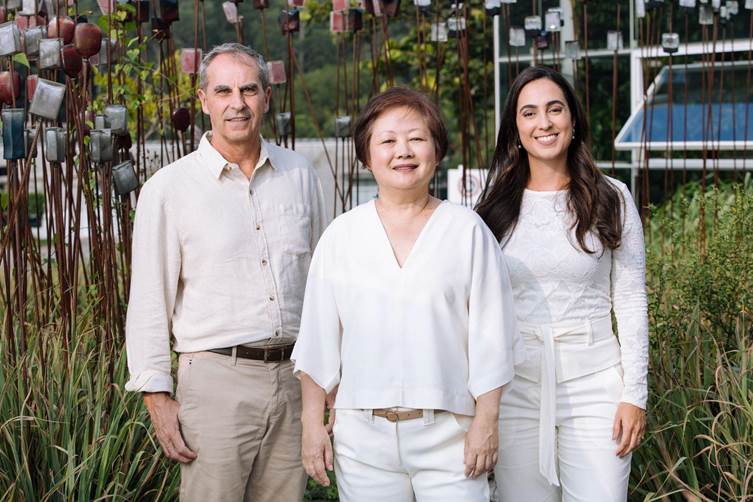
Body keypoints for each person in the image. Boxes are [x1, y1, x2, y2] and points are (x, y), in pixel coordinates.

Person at [291, 87, 521, 502]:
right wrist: (311, 424)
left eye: (416, 138)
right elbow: (318, 339)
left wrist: (487, 420)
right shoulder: (342, 235)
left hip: (450, 437)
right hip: (362, 439)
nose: (404, 151)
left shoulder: (467, 231)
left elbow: (493, 337)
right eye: (388, 141)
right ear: (366, 155)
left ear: (436, 150)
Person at [124, 43, 325, 502]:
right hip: (215, 380)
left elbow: (324, 282)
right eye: (223, 91)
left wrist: (329, 376)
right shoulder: (169, 189)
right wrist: (156, 395)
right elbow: (150, 298)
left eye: (249, 90)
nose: (238, 103)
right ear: (203, 100)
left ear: (266, 97)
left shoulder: (299, 174)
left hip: (295, 378)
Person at [476, 66, 648, 501]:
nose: (544, 123)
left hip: (595, 384)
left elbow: (630, 299)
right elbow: (476, 306)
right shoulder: (492, 207)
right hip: (515, 387)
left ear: (573, 119)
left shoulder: (612, 196)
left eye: (555, 109)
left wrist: (635, 395)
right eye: (529, 113)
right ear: (515, 129)